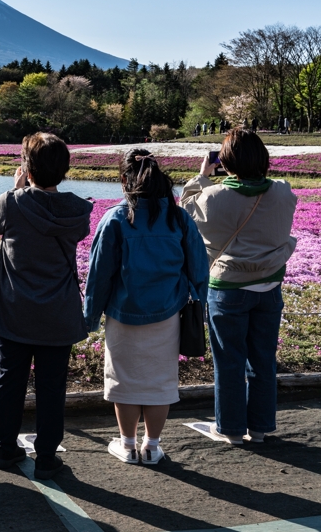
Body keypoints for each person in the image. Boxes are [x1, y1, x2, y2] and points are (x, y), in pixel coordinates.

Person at [83, 150, 208, 465]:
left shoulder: (115, 218)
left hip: (122, 315)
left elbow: (99, 276)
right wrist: (197, 304)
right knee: (159, 382)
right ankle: (152, 446)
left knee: (125, 380)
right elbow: (199, 270)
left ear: (125, 180)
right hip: (167, 314)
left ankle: (127, 445)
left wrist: (89, 318)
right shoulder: (178, 218)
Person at [0, 132, 92, 479]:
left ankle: (6, 449)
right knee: (51, 385)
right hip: (57, 313)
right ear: (64, 171)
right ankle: (46, 456)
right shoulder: (77, 209)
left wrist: (17, 189)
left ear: (27, 170)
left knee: (10, 379)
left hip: (15, 311)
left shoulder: (11, 202)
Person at [181, 128, 297, 444]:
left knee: (229, 361)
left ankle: (230, 429)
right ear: (263, 159)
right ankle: (259, 429)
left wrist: (203, 175)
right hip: (269, 288)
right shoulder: (283, 192)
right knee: (262, 360)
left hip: (227, 289)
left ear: (226, 162)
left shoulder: (214, 196)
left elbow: (188, 209)